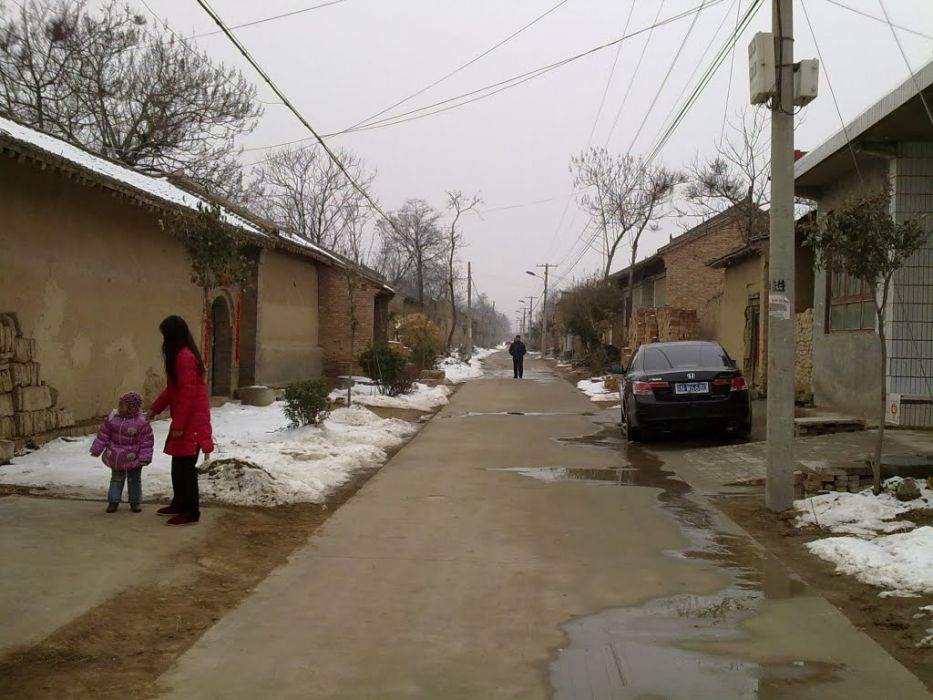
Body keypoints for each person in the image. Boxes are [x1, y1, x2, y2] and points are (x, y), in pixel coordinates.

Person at [148, 315, 214, 526]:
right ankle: (179, 503)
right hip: (187, 419)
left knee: (186, 468)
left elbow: (187, 394)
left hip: (191, 421)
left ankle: (190, 511)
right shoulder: (179, 356)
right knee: (178, 465)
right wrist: (155, 409)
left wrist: (179, 426)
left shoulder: (184, 358)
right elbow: (173, 389)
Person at [90, 390, 153, 513]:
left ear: (131, 408)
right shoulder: (113, 418)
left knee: (134, 479)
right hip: (116, 456)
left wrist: (145, 457)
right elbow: (103, 435)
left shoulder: (141, 422)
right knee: (116, 479)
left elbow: (147, 442)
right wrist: (97, 449)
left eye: (122, 405)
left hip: (133, 457)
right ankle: (113, 501)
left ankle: (135, 502)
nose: (118, 407)